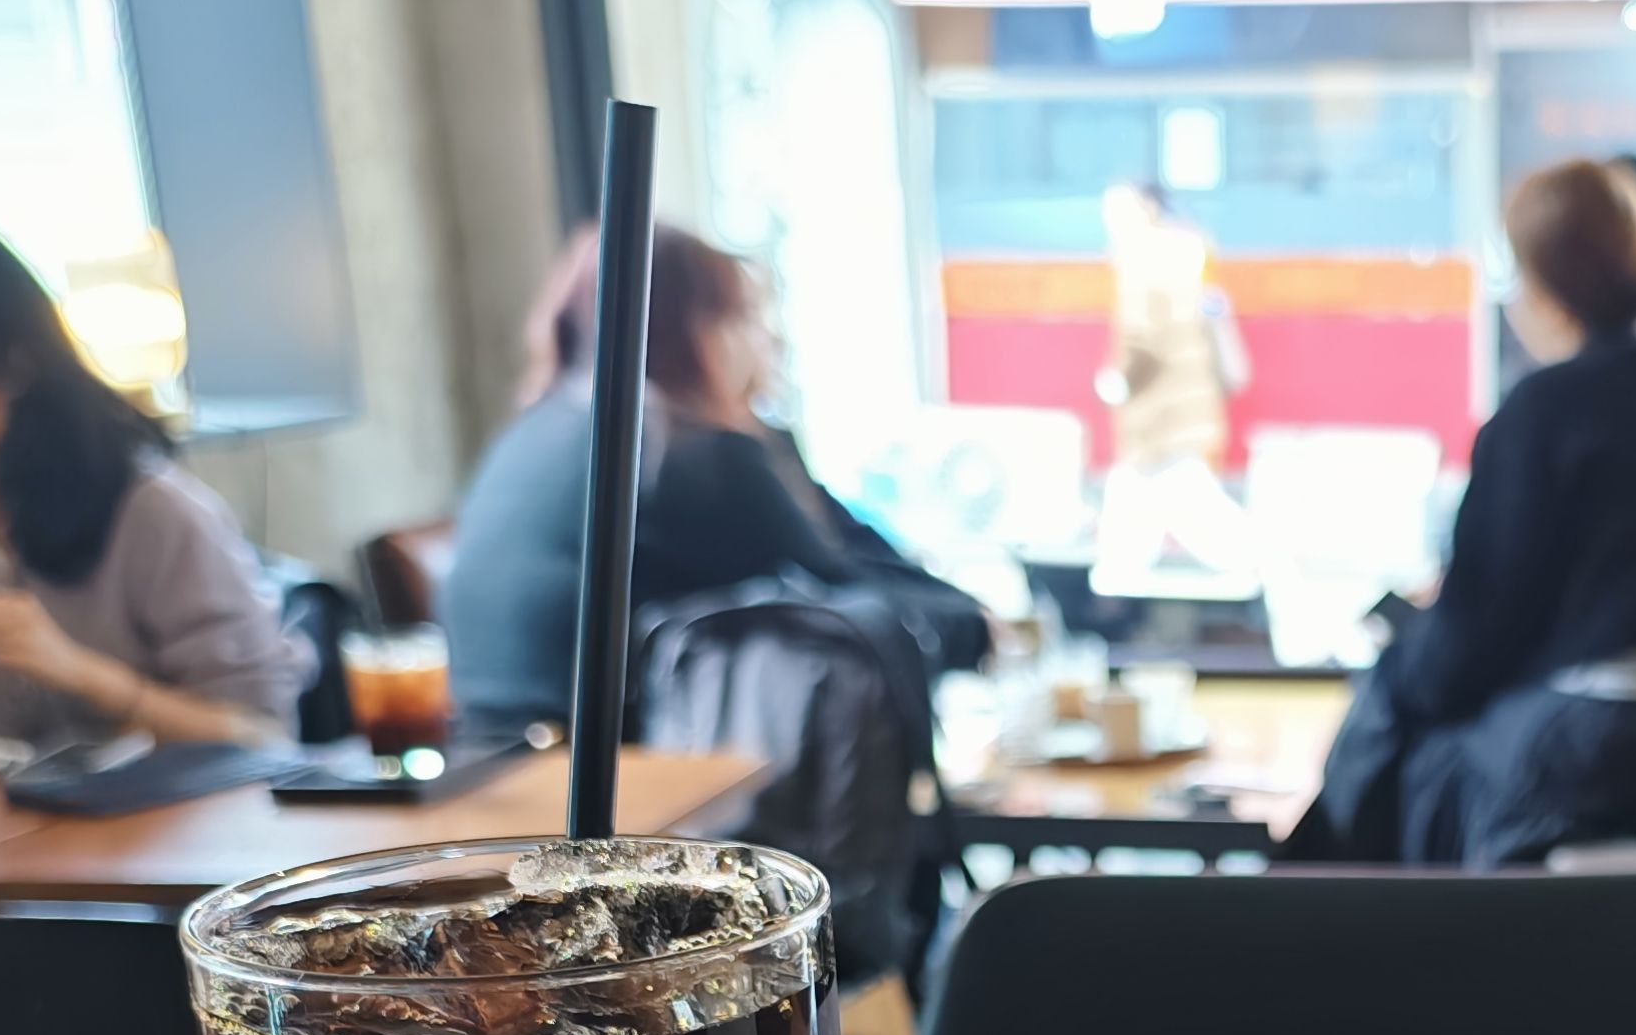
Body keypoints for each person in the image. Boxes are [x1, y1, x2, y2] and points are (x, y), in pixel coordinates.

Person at [1313, 160, 1636, 869]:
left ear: (1538, 285)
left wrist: (1403, 659)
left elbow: (1469, 648)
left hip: (1598, 757)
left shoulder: (1545, 413)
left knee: (1394, 744)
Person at [0, 205, 308, 747]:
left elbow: (264, 737)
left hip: (162, 804)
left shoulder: (154, 513)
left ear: (11, 361)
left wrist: (81, 672)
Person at [441, 224, 972, 734]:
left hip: (490, 744)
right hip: (607, 762)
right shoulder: (685, 450)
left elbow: (835, 549)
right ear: (693, 330)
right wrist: (976, 625)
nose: (768, 339)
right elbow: (843, 589)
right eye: (745, 316)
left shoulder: (535, 430)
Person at [1090, 180, 1267, 594]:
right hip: (1188, 402)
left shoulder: (1140, 258)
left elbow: (1142, 335)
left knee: (1178, 495)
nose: (1110, 220)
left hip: (1159, 411)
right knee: (1149, 492)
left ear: (1146, 208)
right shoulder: (1190, 252)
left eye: (1117, 210)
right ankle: (1118, 576)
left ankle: (1257, 561)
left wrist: (1118, 380)